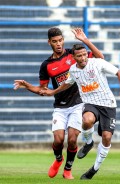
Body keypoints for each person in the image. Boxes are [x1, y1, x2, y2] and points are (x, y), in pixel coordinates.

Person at [13, 27, 104, 179]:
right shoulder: (46, 65)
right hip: (60, 107)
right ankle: (58, 159)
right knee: (58, 140)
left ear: (63, 40)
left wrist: (85, 40)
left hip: (78, 103)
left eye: (60, 40)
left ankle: (68, 169)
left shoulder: (72, 54)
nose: (58, 44)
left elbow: (100, 57)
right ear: (49, 43)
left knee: (73, 139)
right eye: (55, 41)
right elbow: (43, 90)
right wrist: (27, 86)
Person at [40, 43, 120, 180]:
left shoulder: (97, 63)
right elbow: (68, 83)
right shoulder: (73, 70)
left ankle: (94, 169)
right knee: (87, 120)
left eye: (84, 55)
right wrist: (54, 91)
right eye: (79, 56)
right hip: (90, 103)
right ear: (73, 57)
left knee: (106, 137)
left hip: (108, 104)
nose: (83, 58)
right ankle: (88, 142)